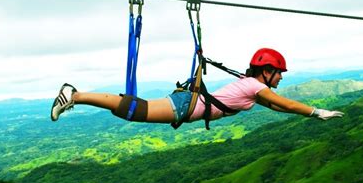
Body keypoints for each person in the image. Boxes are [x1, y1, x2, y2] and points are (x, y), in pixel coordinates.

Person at [50, 48, 344, 124]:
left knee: (131, 110)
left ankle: (76, 96)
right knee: (133, 109)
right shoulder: (255, 87)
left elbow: (282, 109)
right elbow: (288, 104)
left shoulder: (252, 90)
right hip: (186, 106)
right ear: (266, 71)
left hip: (186, 105)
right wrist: (317, 112)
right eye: (279, 73)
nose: (281, 79)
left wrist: (309, 115)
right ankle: (74, 95)